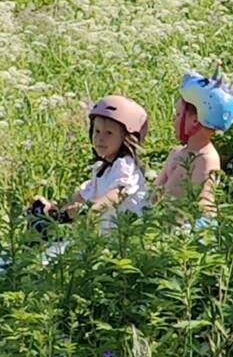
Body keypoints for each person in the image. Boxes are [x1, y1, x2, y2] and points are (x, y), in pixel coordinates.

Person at [20, 95, 150, 266]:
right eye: (96, 131)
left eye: (109, 133)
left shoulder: (124, 166)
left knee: (48, 262)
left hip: (119, 243)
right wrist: (56, 213)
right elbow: (79, 199)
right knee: (43, 254)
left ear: (127, 138)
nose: (100, 138)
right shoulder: (101, 169)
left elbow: (115, 195)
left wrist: (89, 214)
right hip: (99, 239)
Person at [153, 67, 233, 225]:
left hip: (185, 232)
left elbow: (203, 204)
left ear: (195, 120)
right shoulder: (176, 153)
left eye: (178, 114)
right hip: (165, 228)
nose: (174, 119)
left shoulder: (206, 159)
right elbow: (155, 193)